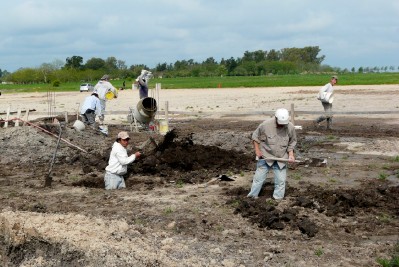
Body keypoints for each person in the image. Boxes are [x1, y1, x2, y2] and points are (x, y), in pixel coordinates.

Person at [247, 108, 297, 201]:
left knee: (281, 181)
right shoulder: (265, 125)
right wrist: (257, 150)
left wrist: (291, 154)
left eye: (284, 124)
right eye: (280, 123)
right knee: (258, 179)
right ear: (276, 118)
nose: (282, 125)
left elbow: (292, 142)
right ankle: (252, 197)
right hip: (266, 156)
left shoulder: (290, 127)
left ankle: (278, 199)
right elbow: (255, 136)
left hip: (281, 157)